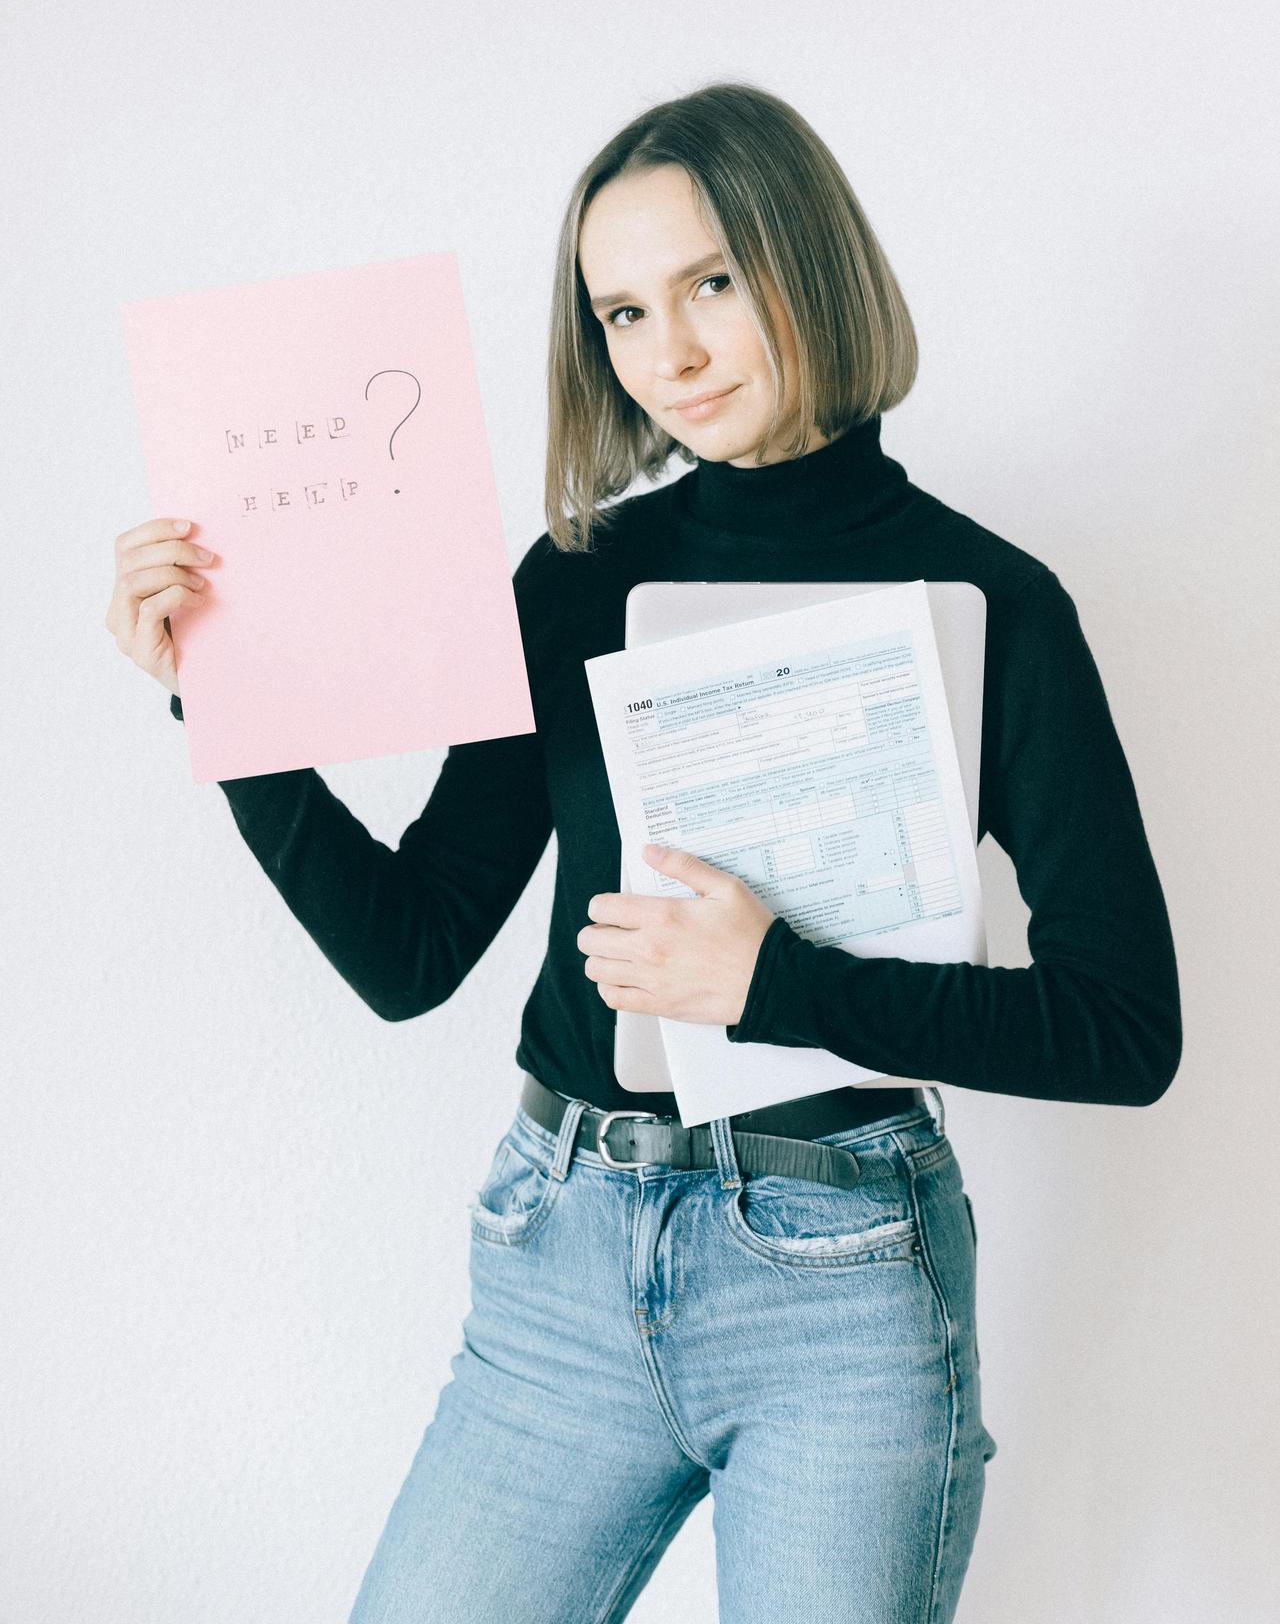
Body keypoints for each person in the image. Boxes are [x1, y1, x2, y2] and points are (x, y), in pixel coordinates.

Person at [105, 82, 1181, 1622]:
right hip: (557, 1261)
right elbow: (411, 952)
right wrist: (230, 706)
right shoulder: (577, 578)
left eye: (711, 285)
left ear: (809, 262)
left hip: (847, 1286)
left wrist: (779, 985)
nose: (666, 353)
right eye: (619, 312)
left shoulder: (995, 599)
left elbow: (1125, 1030)